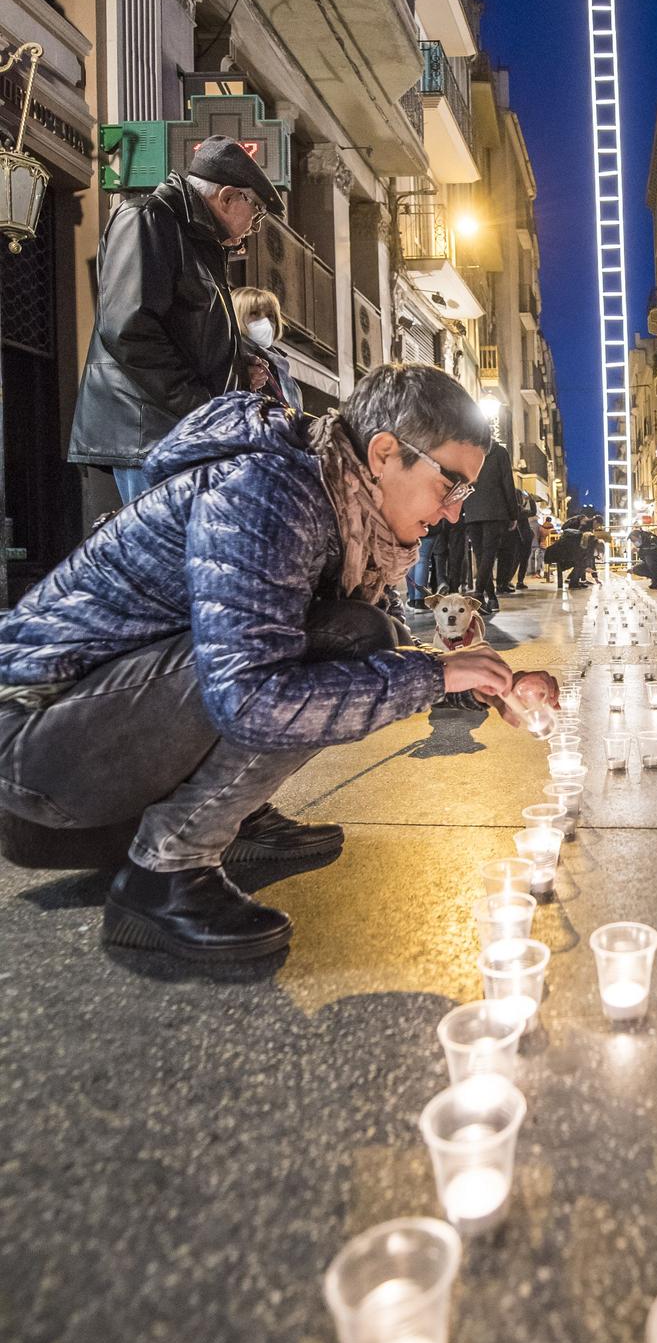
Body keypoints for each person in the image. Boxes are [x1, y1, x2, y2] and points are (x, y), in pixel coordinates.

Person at [0, 364, 556, 964]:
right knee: (347, 639)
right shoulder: (264, 490)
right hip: (36, 766)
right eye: (450, 484)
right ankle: (164, 873)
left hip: (93, 760)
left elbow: (391, 654)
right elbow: (251, 701)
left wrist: (472, 683)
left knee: (366, 633)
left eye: (464, 493)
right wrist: (438, 674)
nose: (453, 512)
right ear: (386, 453)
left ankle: (233, 814)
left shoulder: (349, 513)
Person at [68, 136, 280, 504]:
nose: (256, 224)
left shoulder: (196, 239)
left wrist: (235, 368)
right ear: (228, 197)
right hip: (151, 434)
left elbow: (183, 332)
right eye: (257, 209)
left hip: (172, 432)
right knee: (165, 556)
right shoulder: (147, 218)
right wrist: (203, 406)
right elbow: (129, 329)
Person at [463, 437, 521, 616]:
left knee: (481, 555)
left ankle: (491, 596)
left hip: (472, 509)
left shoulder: (468, 450)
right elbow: (507, 483)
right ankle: (480, 593)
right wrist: (513, 514)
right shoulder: (499, 452)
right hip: (495, 511)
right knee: (488, 553)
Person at [234, 286, 302, 411]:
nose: (265, 321)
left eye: (270, 316)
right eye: (254, 313)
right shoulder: (235, 359)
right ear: (236, 317)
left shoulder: (279, 365)